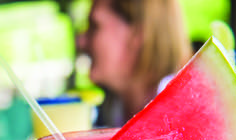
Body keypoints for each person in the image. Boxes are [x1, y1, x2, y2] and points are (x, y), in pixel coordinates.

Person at [77, 0, 192, 128]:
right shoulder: (112, 111)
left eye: (94, 26)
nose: (80, 41)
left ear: (138, 33)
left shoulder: (184, 113)